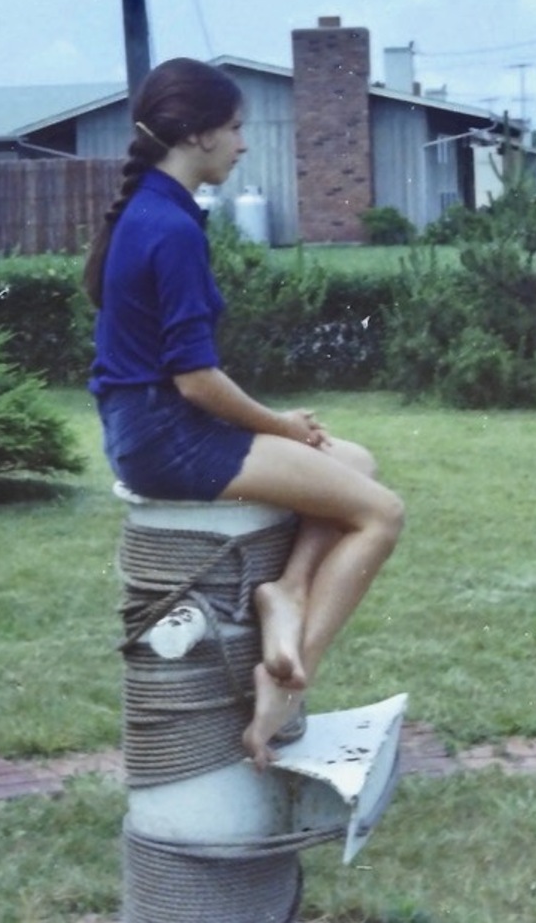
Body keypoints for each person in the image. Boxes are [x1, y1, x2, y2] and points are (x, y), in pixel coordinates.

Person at [85, 57, 405, 770]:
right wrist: (279, 424)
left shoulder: (155, 213)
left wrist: (276, 423)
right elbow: (195, 380)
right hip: (168, 436)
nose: (243, 143)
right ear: (196, 135)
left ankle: (286, 591)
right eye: (234, 128)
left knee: (353, 463)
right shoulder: (170, 228)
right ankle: (285, 682)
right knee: (381, 514)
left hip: (151, 429)